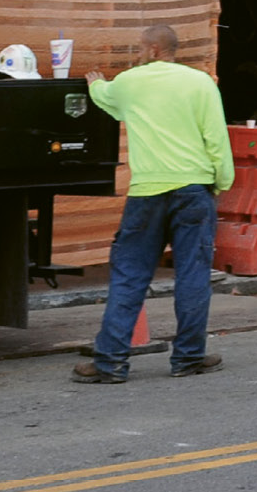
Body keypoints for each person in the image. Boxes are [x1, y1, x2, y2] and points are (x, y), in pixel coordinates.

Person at [74, 24, 233, 383]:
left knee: (129, 276)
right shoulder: (201, 83)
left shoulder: (131, 82)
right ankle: (189, 357)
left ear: (155, 49)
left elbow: (104, 97)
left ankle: (110, 362)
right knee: (192, 275)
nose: (138, 54)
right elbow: (216, 138)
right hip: (194, 189)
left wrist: (95, 84)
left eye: (141, 49)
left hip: (147, 193)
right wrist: (221, 182)